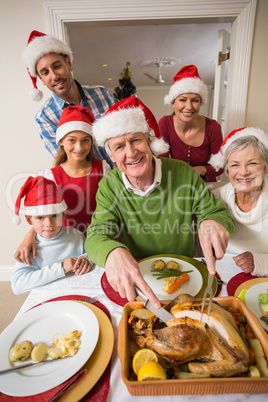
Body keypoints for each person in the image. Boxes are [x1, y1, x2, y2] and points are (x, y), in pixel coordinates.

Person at [85, 96, 235, 307]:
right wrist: (111, 251)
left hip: (186, 279)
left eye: (136, 140)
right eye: (119, 147)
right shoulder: (109, 185)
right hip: (138, 280)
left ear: (149, 141)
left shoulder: (182, 171)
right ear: (111, 156)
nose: (130, 152)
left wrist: (212, 221)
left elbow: (218, 213)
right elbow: (95, 236)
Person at [14, 105, 110, 264]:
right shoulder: (51, 176)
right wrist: (29, 235)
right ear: (61, 142)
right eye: (72, 140)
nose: (79, 147)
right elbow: (44, 213)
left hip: (99, 239)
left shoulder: (103, 168)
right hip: (67, 244)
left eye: (85, 140)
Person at [22, 30, 116, 167]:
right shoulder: (45, 118)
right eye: (45, 72)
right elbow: (70, 165)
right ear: (41, 79)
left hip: (128, 178)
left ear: (68, 63)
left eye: (57, 66)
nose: (54, 76)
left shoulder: (101, 94)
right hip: (92, 185)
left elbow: (125, 135)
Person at [11, 176, 92, 295]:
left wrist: (87, 259)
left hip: (78, 293)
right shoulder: (28, 250)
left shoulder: (77, 236)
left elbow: (91, 254)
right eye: (40, 218)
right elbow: (18, 285)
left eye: (55, 216)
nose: (49, 224)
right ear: (29, 220)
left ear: (63, 215)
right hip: (48, 298)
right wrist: (61, 268)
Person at [209, 127, 268, 277]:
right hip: (221, 275)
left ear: (266, 167)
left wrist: (259, 261)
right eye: (235, 165)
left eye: (252, 163)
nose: (243, 172)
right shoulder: (216, 197)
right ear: (227, 170)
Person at [158, 65, 224, 182]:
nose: (188, 107)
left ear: (201, 102)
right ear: (173, 102)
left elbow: (220, 166)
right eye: (182, 100)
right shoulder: (165, 123)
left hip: (206, 187)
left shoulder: (213, 127)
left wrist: (202, 169)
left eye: (195, 100)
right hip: (176, 184)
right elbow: (162, 162)